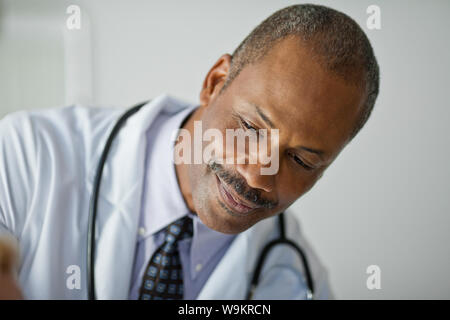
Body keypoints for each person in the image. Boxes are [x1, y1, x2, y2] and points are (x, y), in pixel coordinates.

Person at [0, 4, 379, 299]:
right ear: (215, 83)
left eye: (301, 160)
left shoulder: (294, 276)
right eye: (250, 128)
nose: (257, 175)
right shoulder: (25, 155)